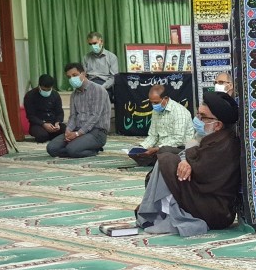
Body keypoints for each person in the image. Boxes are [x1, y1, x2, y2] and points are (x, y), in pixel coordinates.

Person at [136, 91, 240, 236]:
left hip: (215, 209)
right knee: (167, 159)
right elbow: (192, 150)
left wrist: (187, 162)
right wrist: (186, 160)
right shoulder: (214, 136)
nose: (198, 120)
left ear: (217, 125)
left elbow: (202, 172)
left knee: (167, 162)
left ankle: (162, 214)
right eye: (198, 114)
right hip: (204, 199)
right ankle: (158, 212)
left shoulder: (225, 144)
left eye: (203, 117)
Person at [46, 63, 109, 159]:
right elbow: (73, 116)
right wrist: (68, 131)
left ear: (83, 74)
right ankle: (79, 148)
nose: (72, 79)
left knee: (72, 149)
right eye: (69, 77)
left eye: (74, 75)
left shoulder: (98, 90)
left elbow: (95, 116)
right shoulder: (74, 95)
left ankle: (94, 149)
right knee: (51, 148)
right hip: (77, 129)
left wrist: (77, 134)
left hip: (96, 131)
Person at [128, 84, 195, 167]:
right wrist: (141, 147)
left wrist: (157, 148)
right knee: (141, 153)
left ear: (165, 98)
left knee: (163, 151)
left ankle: (157, 159)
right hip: (161, 146)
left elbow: (178, 139)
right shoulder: (156, 111)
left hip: (180, 148)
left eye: (156, 102)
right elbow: (153, 135)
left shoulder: (179, 112)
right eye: (151, 102)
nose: (153, 105)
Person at [24, 74, 65, 143]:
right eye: (44, 90)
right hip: (38, 124)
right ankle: (51, 135)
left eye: (48, 90)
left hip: (53, 123)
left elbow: (60, 112)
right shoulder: (30, 95)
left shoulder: (55, 95)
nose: (46, 91)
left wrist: (57, 122)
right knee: (42, 136)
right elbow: (30, 115)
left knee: (66, 130)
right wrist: (43, 124)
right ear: (39, 86)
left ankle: (52, 134)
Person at [83, 32, 118, 101]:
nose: (93, 46)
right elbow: (84, 76)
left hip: (105, 85)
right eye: (90, 44)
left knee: (99, 97)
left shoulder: (111, 57)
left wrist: (102, 87)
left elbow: (113, 77)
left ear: (101, 42)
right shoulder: (86, 57)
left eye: (94, 43)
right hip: (90, 84)